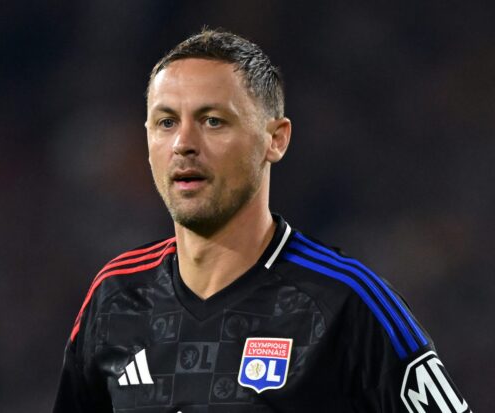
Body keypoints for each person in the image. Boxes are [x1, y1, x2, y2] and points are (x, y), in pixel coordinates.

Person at [53, 29, 470, 413]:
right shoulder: (116, 298)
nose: (183, 144)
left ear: (276, 139)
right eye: (166, 123)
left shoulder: (345, 302)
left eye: (212, 121)